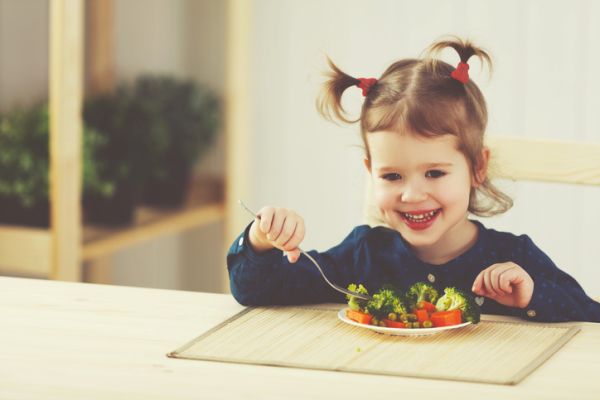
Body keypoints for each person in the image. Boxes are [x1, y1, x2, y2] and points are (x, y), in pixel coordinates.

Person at [226, 36, 600, 322]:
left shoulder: (513, 257)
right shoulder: (364, 256)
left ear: (477, 167)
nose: (412, 193)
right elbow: (257, 290)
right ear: (370, 171)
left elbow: (589, 316)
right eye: (391, 175)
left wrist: (531, 295)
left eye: (435, 173)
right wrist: (261, 241)